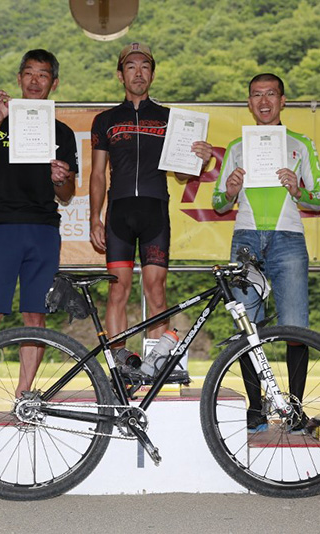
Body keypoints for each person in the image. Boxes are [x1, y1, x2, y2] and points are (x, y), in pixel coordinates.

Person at [0, 49, 78, 418]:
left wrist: (61, 178)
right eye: (29, 73)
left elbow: (67, 194)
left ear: (54, 83)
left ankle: (25, 396)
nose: (35, 80)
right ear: (19, 78)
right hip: (1, 228)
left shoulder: (62, 132)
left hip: (43, 230)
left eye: (43, 74)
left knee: (35, 317)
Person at [212, 73, 320, 432]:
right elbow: (218, 203)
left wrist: (298, 190)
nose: (264, 101)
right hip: (246, 236)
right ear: (249, 102)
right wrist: (230, 192)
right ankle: (255, 408)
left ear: (282, 100)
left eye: (271, 94)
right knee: (247, 325)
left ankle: (295, 409)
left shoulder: (301, 144)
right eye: (257, 95)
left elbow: (319, 200)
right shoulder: (236, 147)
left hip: (288, 238)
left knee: (295, 327)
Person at [89, 42, 212, 370]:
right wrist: (94, 218)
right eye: (131, 66)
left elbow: (183, 175)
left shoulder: (170, 119)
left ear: (152, 74)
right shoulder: (105, 120)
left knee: (156, 290)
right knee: (118, 291)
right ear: (121, 75)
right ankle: (120, 367)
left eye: (145, 66)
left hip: (154, 210)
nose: (138, 72)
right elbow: (97, 174)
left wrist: (199, 159)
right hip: (119, 213)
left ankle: (155, 367)